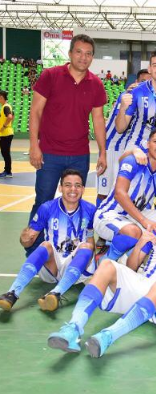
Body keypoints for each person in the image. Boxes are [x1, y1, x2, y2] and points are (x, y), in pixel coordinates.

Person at [47, 181, 156, 358]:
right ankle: (73, 328)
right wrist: (140, 244)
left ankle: (108, 336)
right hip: (144, 283)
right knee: (106, 265)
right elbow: (131, 268)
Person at [28, 34, 107, 256]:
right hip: (50, 153)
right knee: (43, 201)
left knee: (74, 202)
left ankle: (71, 250)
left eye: (88, 53)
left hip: (79, 155)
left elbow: (98, 120)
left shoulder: (96, 84)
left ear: (92, 57)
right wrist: (34, 145)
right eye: (79, 52)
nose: (83, 57)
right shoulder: (50, 75)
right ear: (70, 53)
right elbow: (36, 111)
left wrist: (103, 152)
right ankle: (33, 253)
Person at [0, 169, 96, 312]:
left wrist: (91, 260)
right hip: (52, 267)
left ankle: (56, 293)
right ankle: (12, 293)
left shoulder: (90, 209)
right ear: (60, 188)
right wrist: (25, 238)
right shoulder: (47, 208)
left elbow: (90, 238)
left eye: (77, 185)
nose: (73, 189)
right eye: (68, 185)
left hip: (76, 267)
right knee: (45, 245)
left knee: (87, 247)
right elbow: (27, 241)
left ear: (83, 189)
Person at [94, 128, 156, 263]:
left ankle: (126, 260)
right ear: (148, 144)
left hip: (136, 215)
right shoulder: (133, 161)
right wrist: (145, 221)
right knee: (133, 231)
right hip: (110, 214)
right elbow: (119, 194)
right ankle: (105, 260)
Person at [97, 69, 152, 206]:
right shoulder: (128, 96)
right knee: (105, 192)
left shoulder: (148, 101)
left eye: (148, 82)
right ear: (136, 81)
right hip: (111, 147)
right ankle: (97, 218)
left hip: (125, 150)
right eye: (142, 81)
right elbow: (120, 127)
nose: (145, 85)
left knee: (121, 191)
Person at [0, 90, 14, 178]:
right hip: (6, 134)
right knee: (5, 152)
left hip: (6, 134)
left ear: (2, 97)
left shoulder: (5, 107)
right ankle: (7, 171)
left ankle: (8, 172)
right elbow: (13, 115)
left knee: (5, 153)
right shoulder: (7, 106)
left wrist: (4, 126)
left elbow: (10, 116)